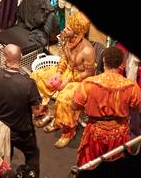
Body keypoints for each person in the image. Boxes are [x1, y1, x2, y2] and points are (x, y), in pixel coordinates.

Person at [71, 45, 141, 166]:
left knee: (91, 167)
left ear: (103, 60)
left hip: (95, 133)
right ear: (121, 63)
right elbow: (139, 108)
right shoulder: (132, 87)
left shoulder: (88, 84)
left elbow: (74, 105)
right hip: (119, 135)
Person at [32, 11, 96, 149]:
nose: (64, 30)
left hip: (80, 80)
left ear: (77, 33)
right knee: (37, 76)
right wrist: (59, 73)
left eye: (68, 28)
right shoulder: (68, 39)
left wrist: (68, 80)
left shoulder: (88, 51)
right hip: (66, 72)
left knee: (64, 99)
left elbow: (89, 73)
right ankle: (48, 111)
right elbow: (64, 59)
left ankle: (68, 131)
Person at [0, 44, 42, 175]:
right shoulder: (28, 84)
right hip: (21, 132)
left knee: (5, 155)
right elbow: (37, 112)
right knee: (32, 154)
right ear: (21, 57)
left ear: (5, 59)